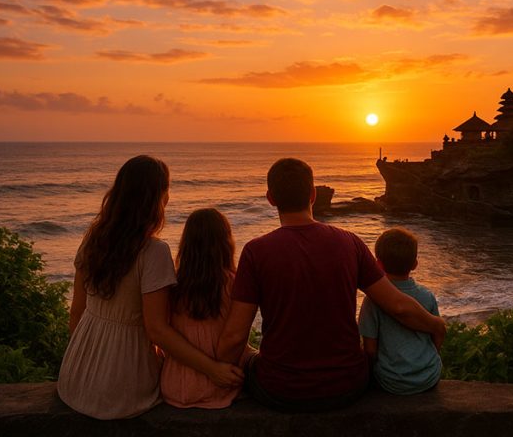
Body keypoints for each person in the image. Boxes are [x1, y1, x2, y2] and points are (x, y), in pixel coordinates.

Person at [215, 158, 446, 412]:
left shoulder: (255, 252)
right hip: (347, 385)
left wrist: (212, 369)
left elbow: (235, 337)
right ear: (313, 195)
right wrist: (436, 324)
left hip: (280, 388)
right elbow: (398, 306)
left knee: (251, 359)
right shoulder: (350, 243)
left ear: (270, 198)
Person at [57, 156, 242, 420]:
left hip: (75, 379)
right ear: (157, 198)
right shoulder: (153, 251)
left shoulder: (93, 239)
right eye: (166, 189)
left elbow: (76, 312)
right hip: (123, 385)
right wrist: (213, 370)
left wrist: (86, 363)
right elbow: (157, 330)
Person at [160, 208, 255, 409]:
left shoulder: (172, 285)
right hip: (218, 386)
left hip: (174, 385)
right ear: (226, 241)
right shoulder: (232, 283)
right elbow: (235, 338)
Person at [359, 228, 442, 394]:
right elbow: (436, 336)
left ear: (378, 264)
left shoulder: (373, 301)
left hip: (391, 381)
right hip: (429, 376)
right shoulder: (427, 296)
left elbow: (370, 350)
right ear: (415, 264)